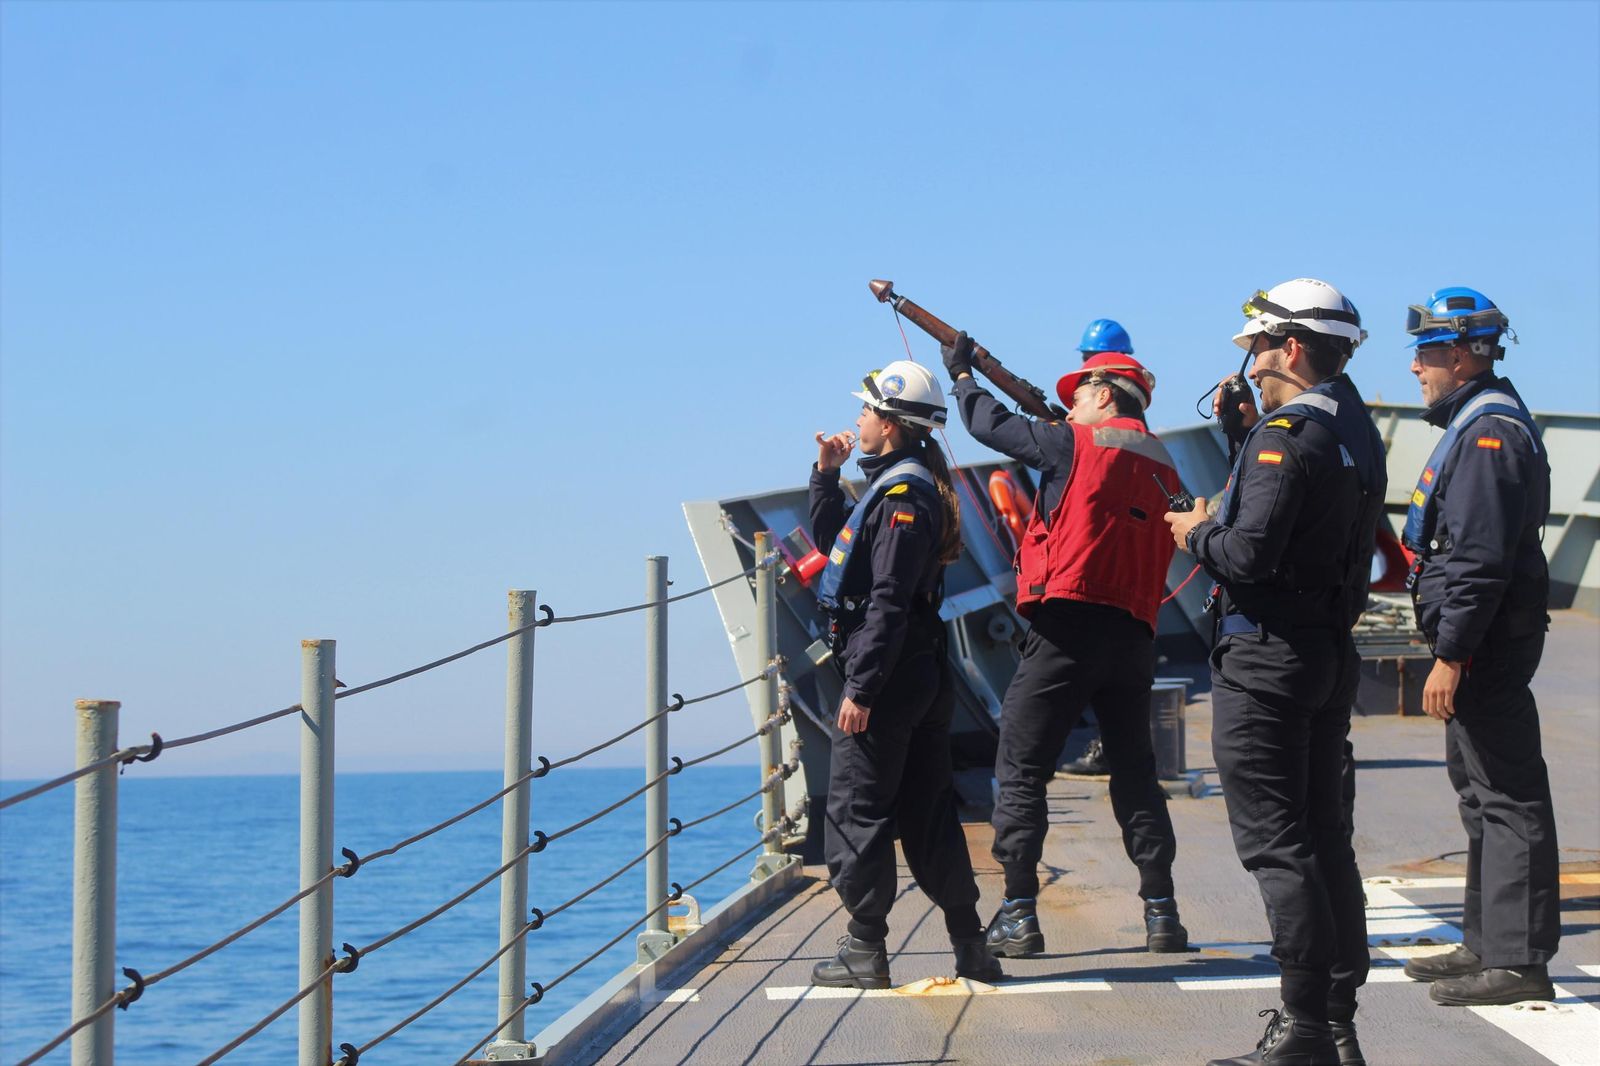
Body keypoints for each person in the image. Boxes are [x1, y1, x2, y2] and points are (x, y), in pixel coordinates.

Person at [1165, 278, 1385, 1066]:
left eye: (1258, 348)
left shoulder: (1282, 435)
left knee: (1276, 844)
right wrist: (1243, 440)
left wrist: (1194, 531)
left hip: (1266, 662)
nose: (1252, 366)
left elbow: (1248, 553)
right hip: (1325, 652)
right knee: (1325, 837)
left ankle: (1301, 1031)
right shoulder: (1353, 426)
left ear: (1291, 347)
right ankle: (1336, 1022)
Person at [939, 329, 1191, 959]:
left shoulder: (1072, 441)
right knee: (1136, 773)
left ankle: (1019, 911)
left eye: (1079, 394)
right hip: (1133, 637)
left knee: (1020, 766)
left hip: (1066, 629)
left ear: (1104, 394)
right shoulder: (1166, 464)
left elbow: (990, 427)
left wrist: (964, 377)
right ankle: (1162, 912)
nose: (1070, 405)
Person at [807, 359, 1003, 989]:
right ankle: (971, 944)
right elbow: (838, 547)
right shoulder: (896, 487)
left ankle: (865, 948)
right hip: (915, 666)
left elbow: (888, 597)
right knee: (927, 809)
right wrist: (826, 476)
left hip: (889, 672)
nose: (856, 420)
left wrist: (861, 687)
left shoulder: (901, 498)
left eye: (865, 410)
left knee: (856, 810)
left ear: (889, 423)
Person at [1395, 287, 1559, 1007]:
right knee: (1480, 794)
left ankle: (1519, 961)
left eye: (1427, 353)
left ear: (1462, 356)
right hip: (1481, 639)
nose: (1417, 369)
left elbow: (1480, 558)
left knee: (1509, 796)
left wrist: (1451, 655)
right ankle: (1485, 943)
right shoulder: (1475, 420)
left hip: (1485, 646)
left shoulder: (1489, 435)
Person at [1061, 318, 1137, 779]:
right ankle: (1118, 750)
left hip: (1104, 567)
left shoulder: (1114, 415)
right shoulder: (1130, 405)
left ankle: (1109, 748)